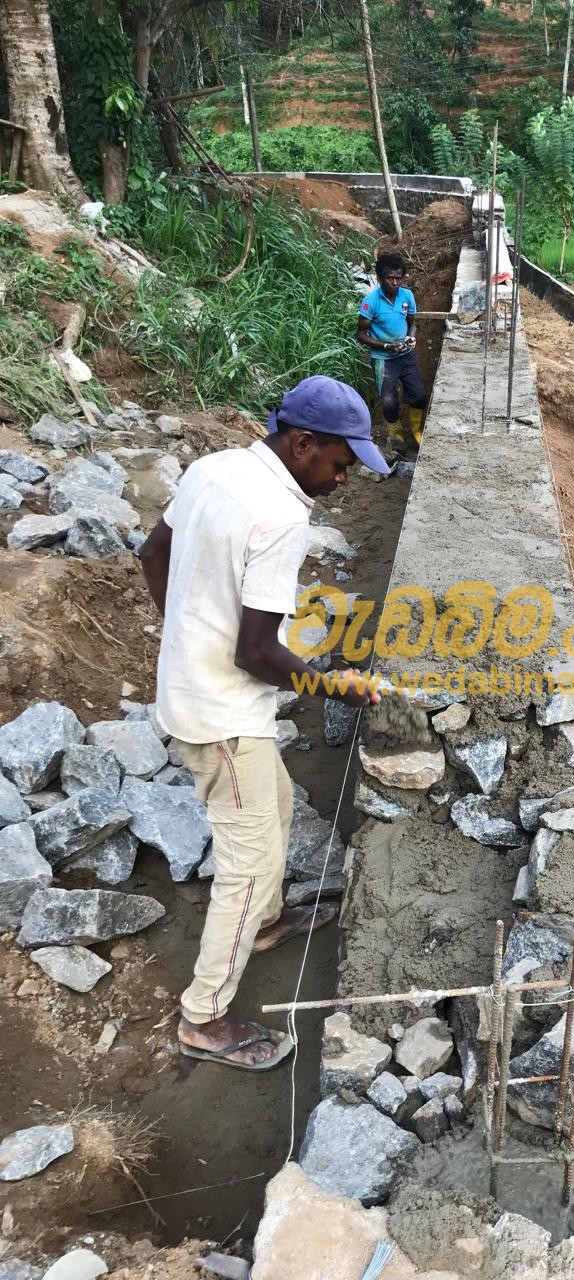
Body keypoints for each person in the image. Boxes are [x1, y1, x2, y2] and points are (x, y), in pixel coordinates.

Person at [139, 375, 388, 1071]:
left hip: (201, 693)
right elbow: (257, 652)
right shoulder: (280, 515)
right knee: (248, 865)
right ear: (302, 443)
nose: (343, 479)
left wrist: (186, 634)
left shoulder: (213, 469)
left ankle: (270, 924)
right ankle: (204, 1016)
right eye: (340, 463)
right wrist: (331, 683)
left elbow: (151, 555)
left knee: (273, 803)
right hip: (220, 714)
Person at [356, 251, 428, 451]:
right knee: (388, 400)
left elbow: (412, 323)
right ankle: (396, 435)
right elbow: (361, 334)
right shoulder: (371, 302)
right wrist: (386, 346)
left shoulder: (407, 296)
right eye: (389, 278)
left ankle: (415, 430)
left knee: (419, 395)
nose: (394, 283)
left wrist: (410, 337)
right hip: (383, 359)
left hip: (406, 354)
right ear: (380, 278)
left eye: (398, 278)